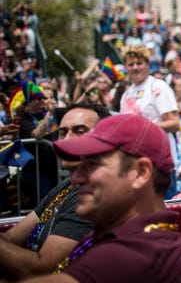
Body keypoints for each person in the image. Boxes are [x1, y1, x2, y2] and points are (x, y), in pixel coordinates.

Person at [22, 114, 181, 282]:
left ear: (140, 173)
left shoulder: (127, 256)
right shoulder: (137, 236)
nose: (76, 178)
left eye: (92, 165)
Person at [0, 103, 109, 280]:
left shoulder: (93, 196)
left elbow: (39, 270)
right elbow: (12, 237)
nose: (66, 140)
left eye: (79, 131)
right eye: (62, 132)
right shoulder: (67, 185)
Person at [119, 45, 180, 198]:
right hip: (135, 164)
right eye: (131, 64)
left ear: (147, 64)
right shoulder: (126, 94)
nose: (135, 67)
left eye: (139, 63)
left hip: (159, 163)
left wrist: (142, 128)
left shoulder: (158, 87)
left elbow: (174, 123)